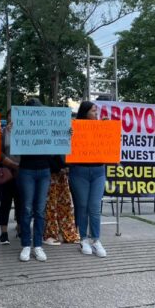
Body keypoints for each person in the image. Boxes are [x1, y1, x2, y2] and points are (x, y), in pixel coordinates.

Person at [68, 101, 108, 256]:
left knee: (94, 206)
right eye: (93, 111)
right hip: (79, 171)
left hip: (98, 171)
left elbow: (110, 145)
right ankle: (83, 239)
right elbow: (66, 147)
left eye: (96, 112)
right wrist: (69, 135)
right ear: (85, 113)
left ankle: (96, 240)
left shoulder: (101, 127)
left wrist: (109, 131)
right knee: (83, 206)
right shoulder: (74, 127)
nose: (96, 114)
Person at [16, 98, 52, 262]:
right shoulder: (20, 127)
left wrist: (67, 133)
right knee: (27, 208)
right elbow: (11, 146)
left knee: (39, 209)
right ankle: (25, 244)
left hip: (44, 170)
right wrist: (10, 130)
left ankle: (37, 245)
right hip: (27, 171)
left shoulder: (48, 127)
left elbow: (59, 142)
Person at [0, 111, 22, 245]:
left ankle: (20, 227)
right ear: (8, 117)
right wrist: (12, 164)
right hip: (6, 172)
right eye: (11, 115)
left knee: (21, 202)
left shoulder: (26, 131)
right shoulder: (3, 132)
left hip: (22, 172)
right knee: (5, 202)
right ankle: (4, 233)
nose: (13, 117)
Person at [43, 156, 79, 245]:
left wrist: (67, 166)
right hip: (50, 172)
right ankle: (50, 235)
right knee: (51, 206)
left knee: (65, 205)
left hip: (62, 174)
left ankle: (68, 233)